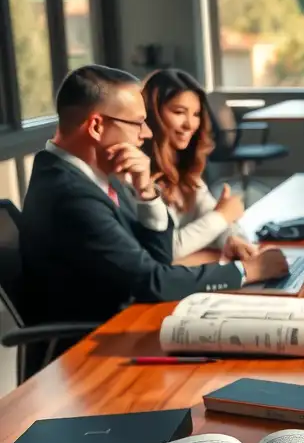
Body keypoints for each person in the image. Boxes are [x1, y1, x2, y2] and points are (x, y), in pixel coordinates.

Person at [19, 65, 288, 332]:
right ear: (97, 126)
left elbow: (157, 258)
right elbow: (152, 281)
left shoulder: (94, 176)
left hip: (124, 321)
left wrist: (147, 193)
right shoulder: (71, 194)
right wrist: (247, 271)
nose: (146, 133)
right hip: (93, 344)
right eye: (137, 123)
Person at [142, 68, 257, 261]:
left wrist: (232, 238)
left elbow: (211, 214)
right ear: (153, 114)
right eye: (179, 112)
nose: (190, 124)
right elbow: (168, 248)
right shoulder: (138, 175)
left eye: (196, 114)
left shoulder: (184, 169)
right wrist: (222, 216)